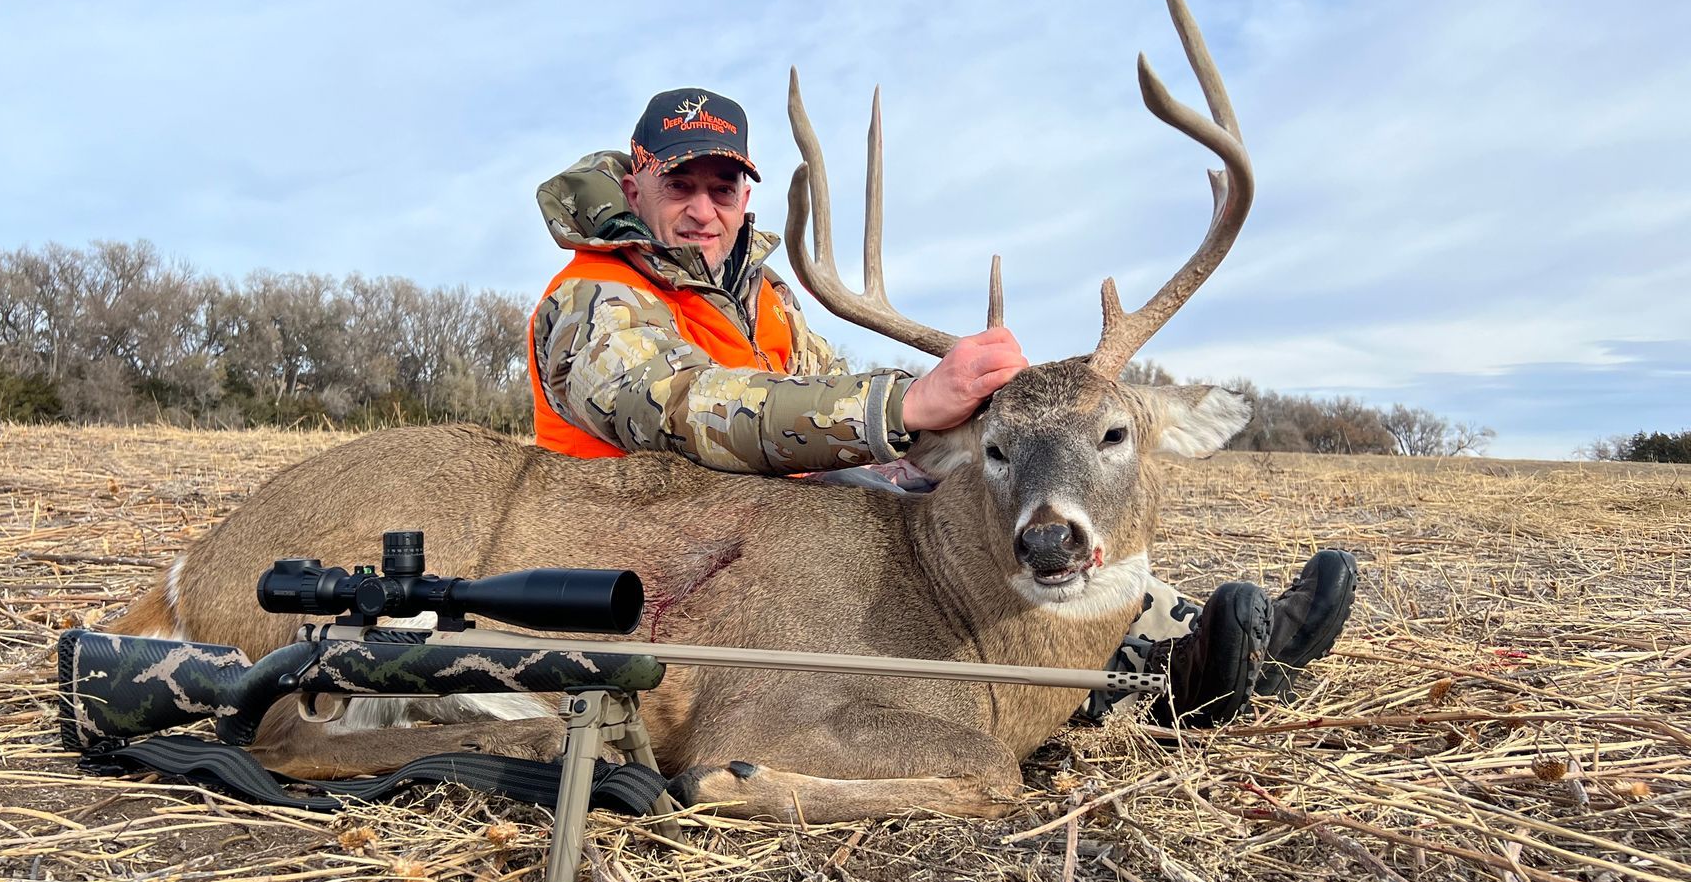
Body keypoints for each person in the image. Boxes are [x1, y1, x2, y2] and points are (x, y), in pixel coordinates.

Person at [527, 87, 1354, 723]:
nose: (704, 209)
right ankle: (1140, 674)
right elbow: (682, 408)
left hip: (766, 530)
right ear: (636, 181)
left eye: (724, 186)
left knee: (973, 500)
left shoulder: (764, 299)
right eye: (681, 183)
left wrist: (943, 445)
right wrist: (904, 406)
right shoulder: (595, 299)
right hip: (639, 545)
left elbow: (822, 392)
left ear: (747, 196)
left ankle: (1186, 639)